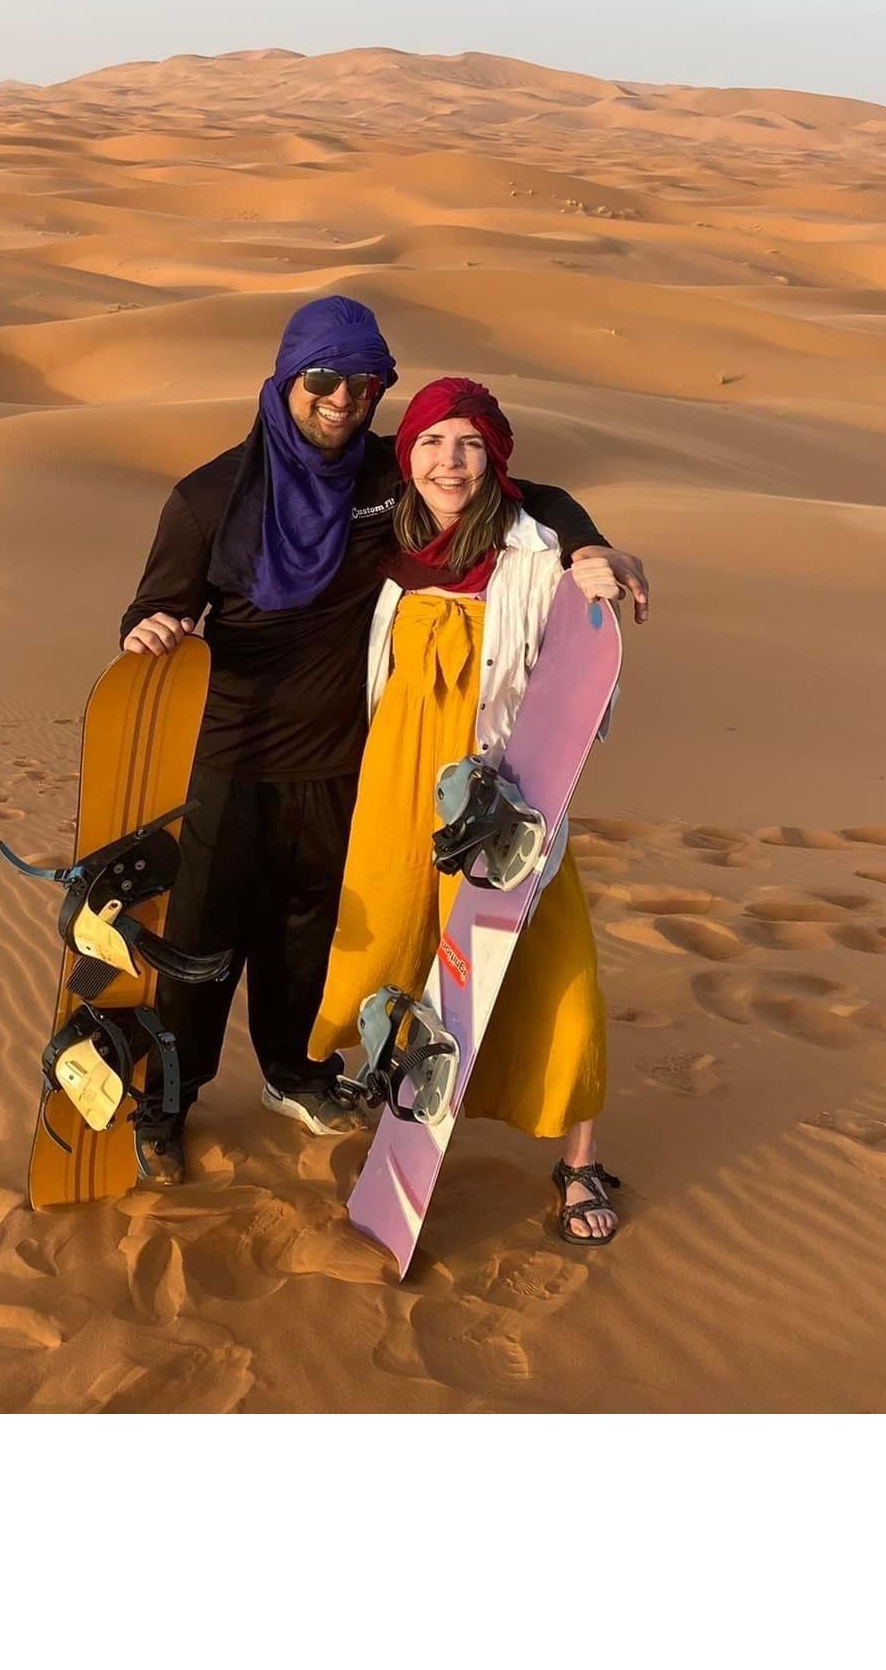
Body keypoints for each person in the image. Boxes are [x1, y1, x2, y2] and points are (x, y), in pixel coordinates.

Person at [119, 296, 647, 1188]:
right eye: (322, 380)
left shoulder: (381, 482)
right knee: (205, 942)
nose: (342, 399)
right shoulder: (209, 497)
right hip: (230, 761)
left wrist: (588, 543)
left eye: (365, 385)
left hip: (348, 764)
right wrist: (151, 628)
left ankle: (293, 1073)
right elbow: (155, 601)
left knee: (312, 936)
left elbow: (519, 490)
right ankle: (167, 1102)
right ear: (287, 379)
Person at [307, 374, 623, 1244]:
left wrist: (593, 554)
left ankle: (580, 1162)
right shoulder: (386, 540)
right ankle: (397, 1120)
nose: (451, 461)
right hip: (397, 790)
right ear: (406, 456)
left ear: (496, 459)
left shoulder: (535, 548)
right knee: (397, 954)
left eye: (472, 444)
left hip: (503, 797)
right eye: (434, 442)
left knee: (558, 972)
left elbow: (582, 654)